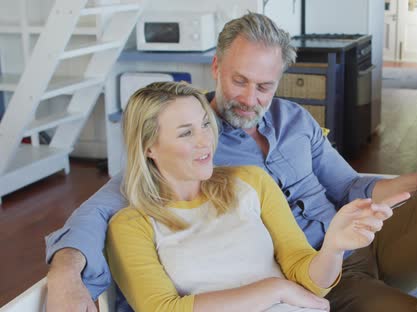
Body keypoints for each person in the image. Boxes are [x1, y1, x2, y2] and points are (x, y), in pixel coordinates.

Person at [45, 12, 417, 312]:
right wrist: (66, 267)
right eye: (239, 81)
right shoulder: (187, 141)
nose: (250, 99)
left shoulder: (293, 119)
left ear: (280, 79)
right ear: (217, 68)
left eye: (264, 85)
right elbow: (106, 205)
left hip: (362, 238)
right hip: (319, 274)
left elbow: (349, 186)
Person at [105, 81, 398, 312]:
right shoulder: (132, 224)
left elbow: (308, 280)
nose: (205, 141)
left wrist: (333, 246)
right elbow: (161, 309)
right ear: (148, 148)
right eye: (185, 133)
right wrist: (275, 289)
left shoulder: (251, 181)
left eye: (206, 124)